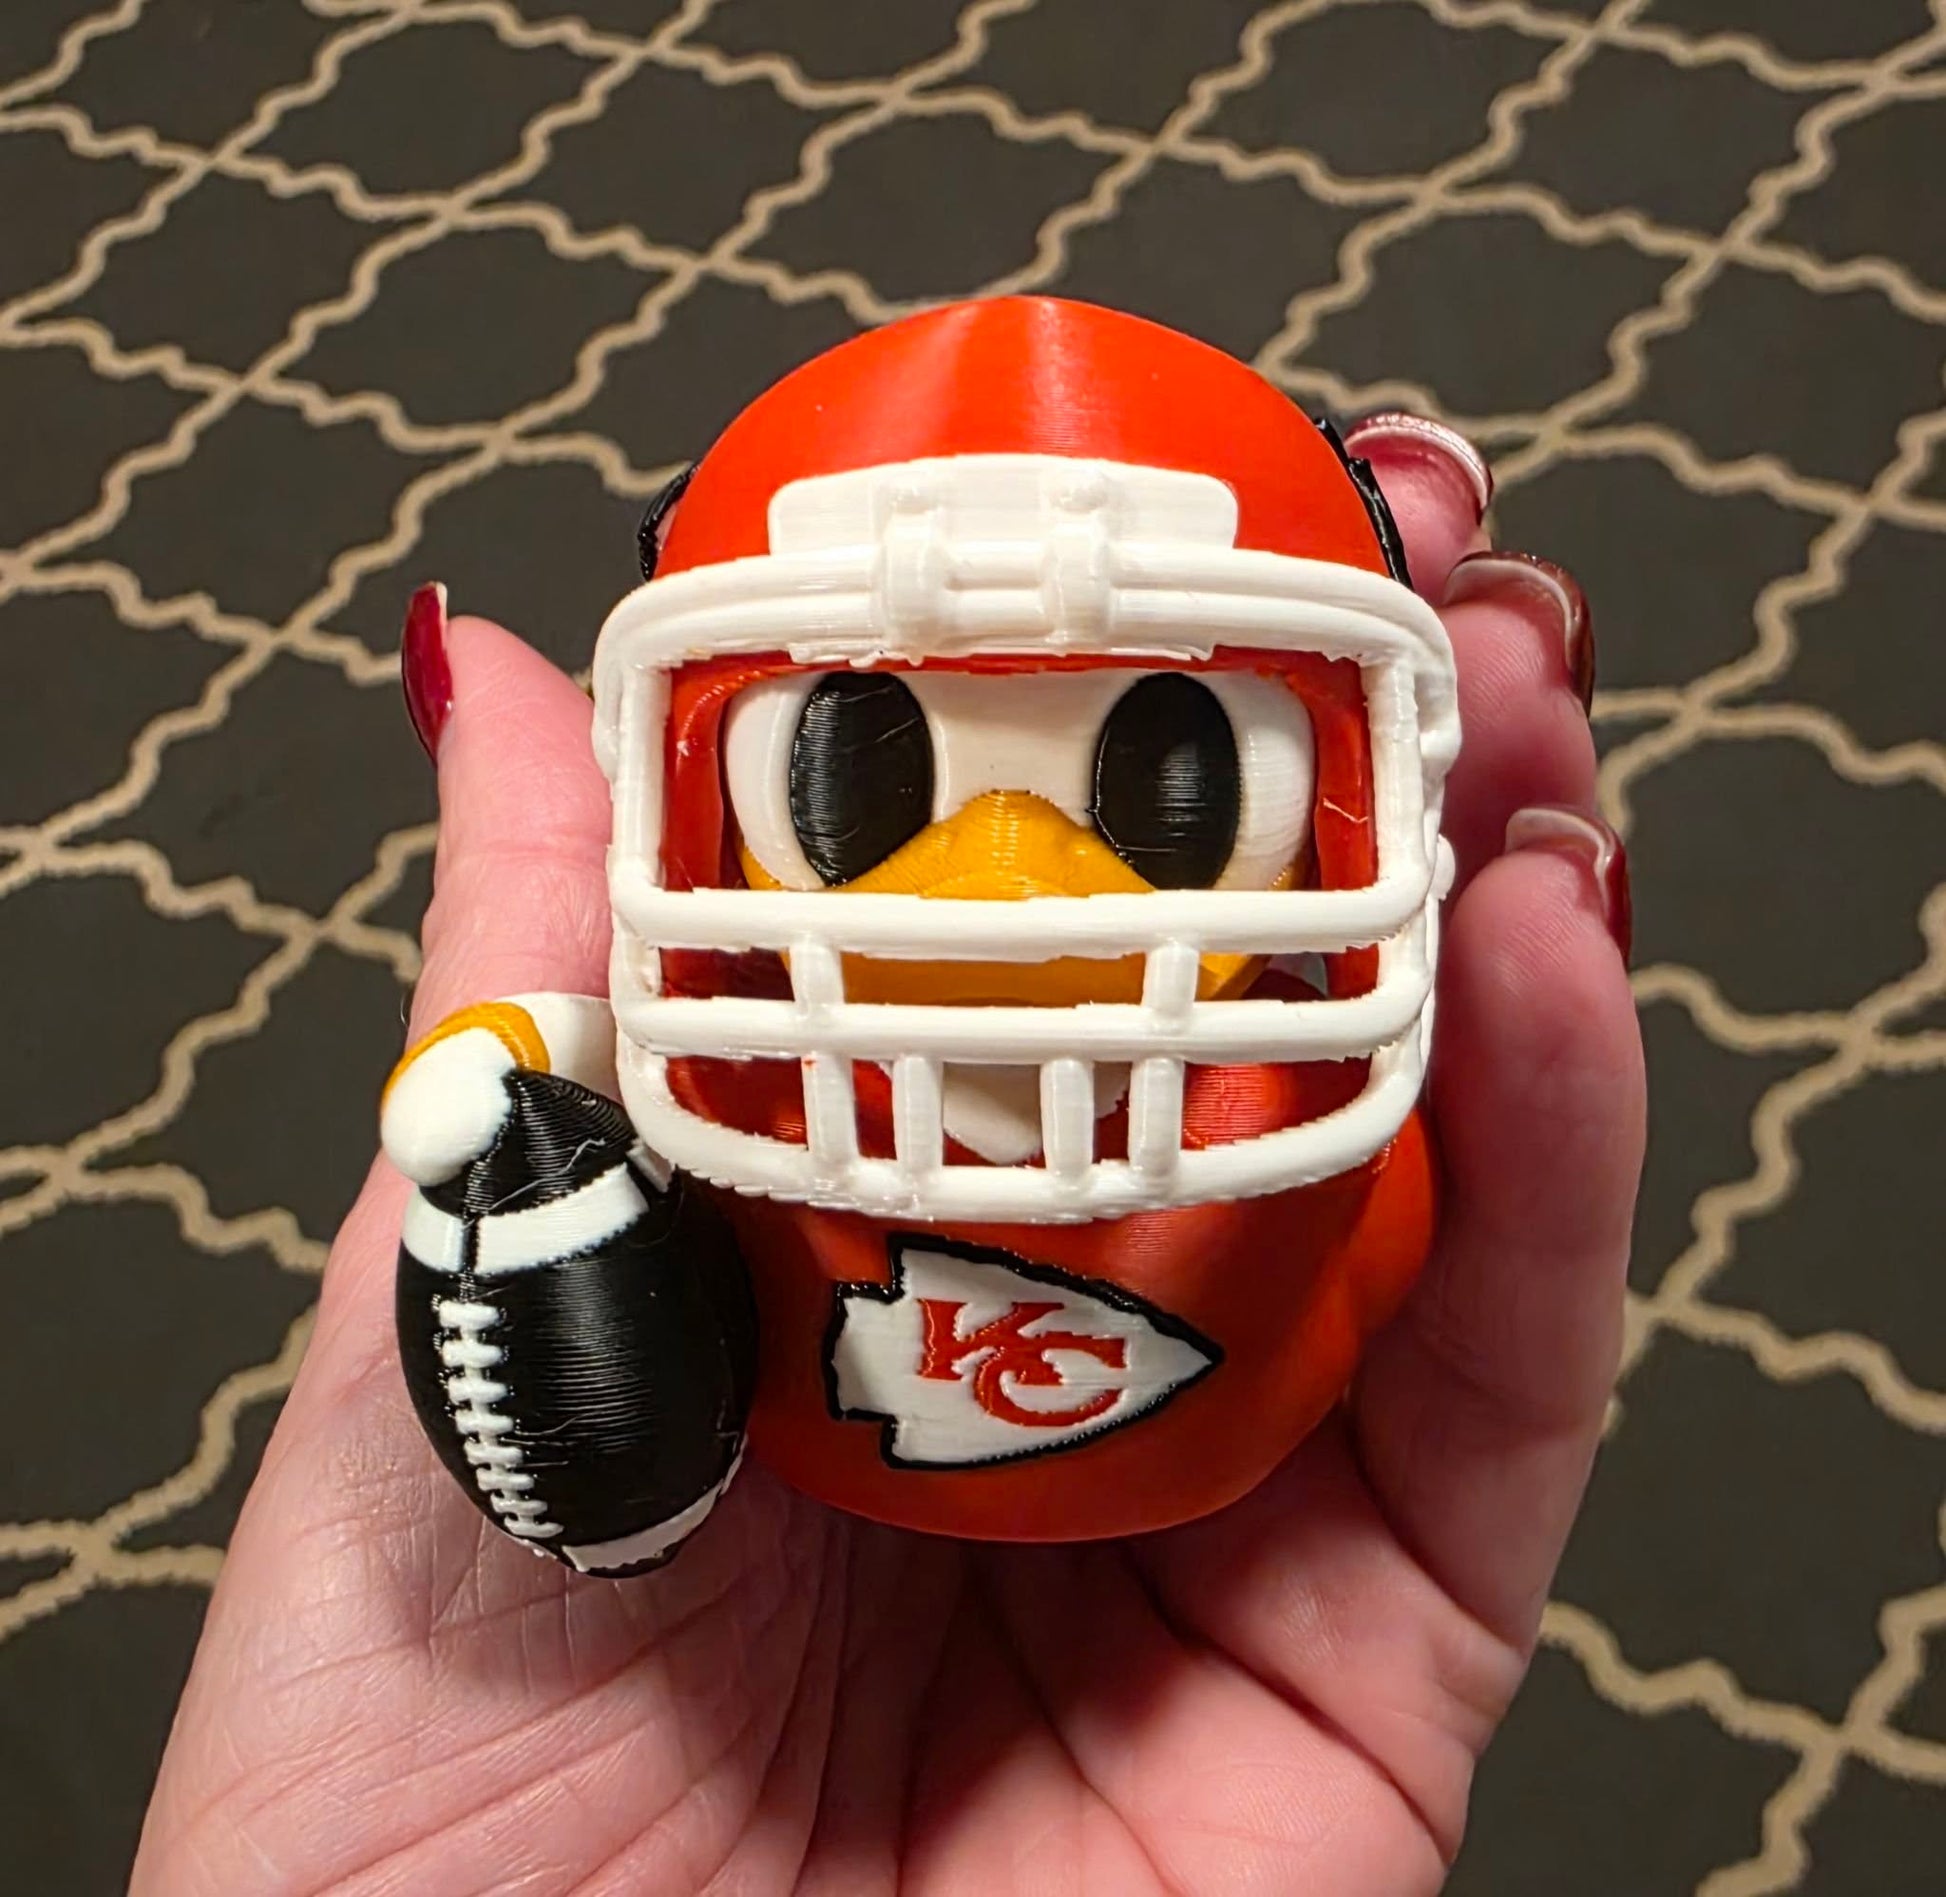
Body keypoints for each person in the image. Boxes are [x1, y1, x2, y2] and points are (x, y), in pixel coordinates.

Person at [132, 418, 1643, 1896]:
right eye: (860, 770)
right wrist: (537, 1116)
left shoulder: (1295, 1120)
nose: (1009, 888)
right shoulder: (734, 1079)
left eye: (1169, 769)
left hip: (1230, 1453)